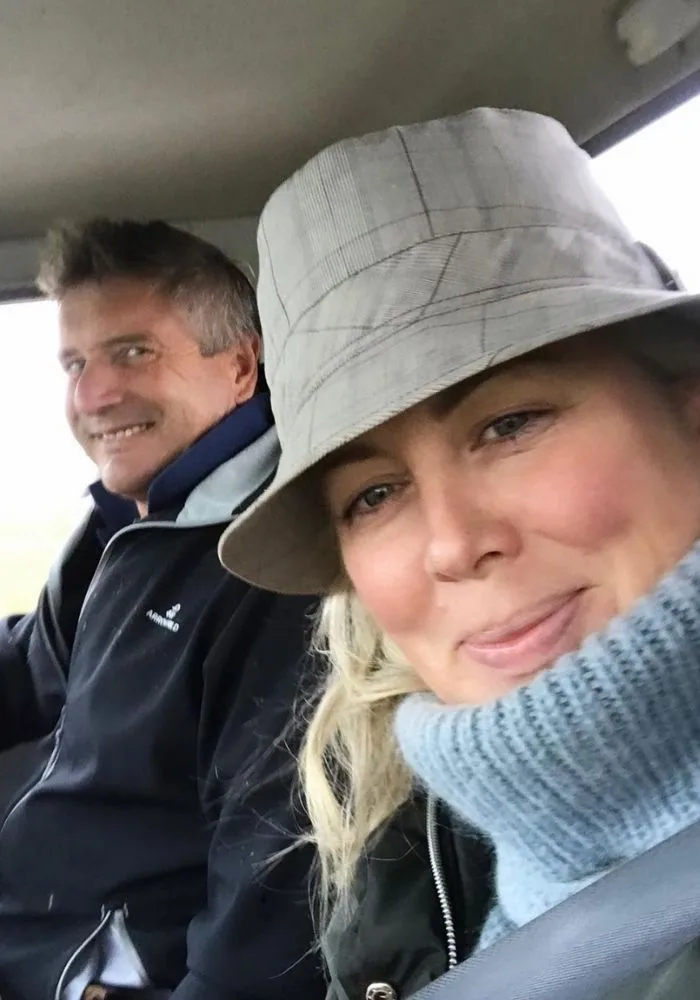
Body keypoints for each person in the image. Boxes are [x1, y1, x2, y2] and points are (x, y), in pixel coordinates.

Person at [218, 108, 700, 1000]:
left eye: (510, 424)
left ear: (690, 411)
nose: (451, 543)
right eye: (374, 495)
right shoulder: (400, 857)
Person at [0, 219, 324, 1000]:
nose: (92, 395)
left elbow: (273, 896)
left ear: (241, 366)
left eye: (133, 352)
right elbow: (36, 669)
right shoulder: (125, 527)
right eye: (75, 364)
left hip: (84, 970)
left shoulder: (276, 564)